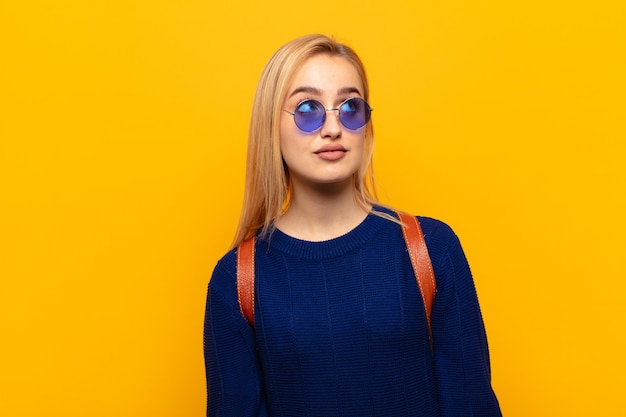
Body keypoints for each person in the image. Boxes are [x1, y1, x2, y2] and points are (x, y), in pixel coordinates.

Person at [204, 34, 502, 417]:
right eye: (308, 108)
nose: (333, 128)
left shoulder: (431, 247)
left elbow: (471, 403)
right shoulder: (237, 280)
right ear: (270, 126)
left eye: (350, 107)